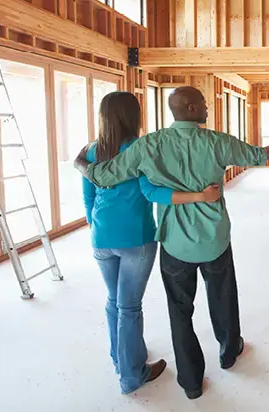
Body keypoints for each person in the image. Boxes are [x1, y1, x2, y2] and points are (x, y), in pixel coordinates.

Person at [75, 86, 269, 400]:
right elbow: (259, 155)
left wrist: (80, 164)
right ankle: (228, 352)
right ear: (192, 109)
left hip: (174, 242)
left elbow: (104, 176)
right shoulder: (216, 141)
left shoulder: (149, 145)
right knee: (223, 296)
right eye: (205, 103)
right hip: (214, 239)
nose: (208, 107)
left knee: (179, 311)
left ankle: (191, 381)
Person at [82, 91, 221, 396]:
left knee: (113, 301)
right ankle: (132, 375)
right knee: (129, 305)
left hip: (101, 238)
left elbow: (88, 196)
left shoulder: (93, 150)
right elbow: (151, 192)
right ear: (133, 116)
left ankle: (120, 357)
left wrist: (99, 227)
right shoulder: (141, 148)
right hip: (136, 237)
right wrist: (198, 196)